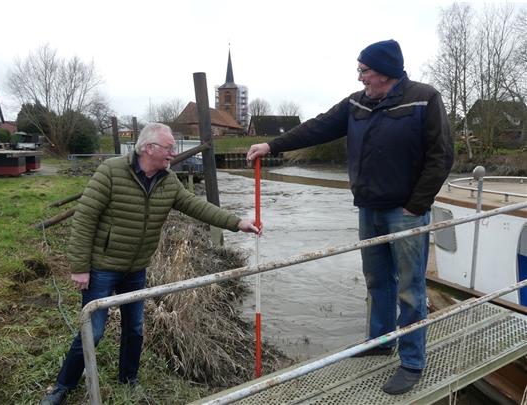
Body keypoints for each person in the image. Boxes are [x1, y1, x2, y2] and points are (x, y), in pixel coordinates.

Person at [247, 39, 453, 395]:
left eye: (364, 70)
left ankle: (412, 362)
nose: (359, 77)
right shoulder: (356, 103)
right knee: (377, 282)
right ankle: (381, 341)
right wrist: (272, 145)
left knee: (410, 288)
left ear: (385, 71)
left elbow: (441, 156)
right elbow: (319, 126)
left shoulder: (424, 98)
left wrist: (416, 205)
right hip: (368, 208)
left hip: (406, 212)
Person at [41, 123, 260, 405]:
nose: (173, 153)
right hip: (102, 267)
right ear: (148, 148)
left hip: (136, 268)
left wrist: (238, 223)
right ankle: (62, 386)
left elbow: (196, 205)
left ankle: (128, 379)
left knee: (135, 329)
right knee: (92, 331)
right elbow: (84, 220)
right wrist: (80, 267)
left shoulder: (168, 181)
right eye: (168, 148)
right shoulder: (110, 172)